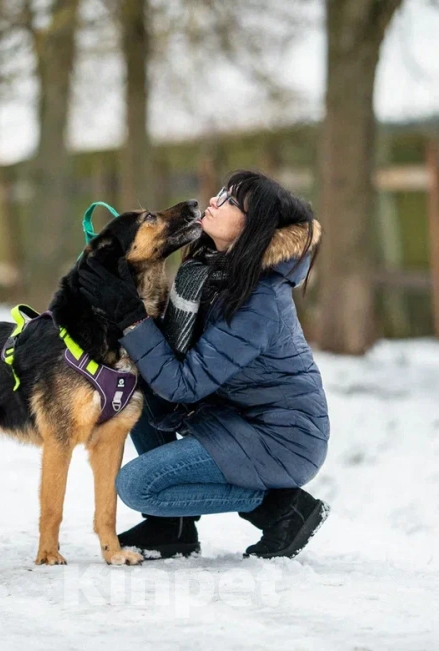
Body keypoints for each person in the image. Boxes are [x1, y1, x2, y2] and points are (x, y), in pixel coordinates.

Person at [77, 170, 330, 560]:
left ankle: (281, 507)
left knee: (138, 486)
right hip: (233, 417)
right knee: (133, 387)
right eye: (223, 192)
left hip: (281, 440)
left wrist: (130, 316)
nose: (214, 200)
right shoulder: (210, 271)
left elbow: (182, 384)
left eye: (231, 201)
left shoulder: (258, 302)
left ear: (254, 228)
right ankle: (172, 527)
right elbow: (162, 358)